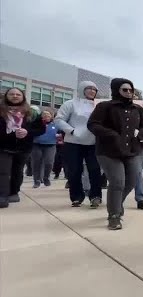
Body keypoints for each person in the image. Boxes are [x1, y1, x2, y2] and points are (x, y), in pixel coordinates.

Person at [87, 78, 143, 230]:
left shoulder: (137, 109)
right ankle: (114, 216)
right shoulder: (104, 107)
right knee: (117, 182)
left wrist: (141, 134)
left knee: (132, 181)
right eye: (125, 90)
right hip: (109, 151)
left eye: (131, 90)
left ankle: (116, 203)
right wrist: (112, 135)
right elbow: (92, 124)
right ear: (116, 90)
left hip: (133, 150)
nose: (128, 93)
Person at [54, 80, 103, 208]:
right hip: (73, 142)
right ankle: (76, 197)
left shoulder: (99, 106)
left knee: (95, 170)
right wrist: (72, 130)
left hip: (93, 142)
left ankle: (95, 196)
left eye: (94, 89)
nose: (92, 91)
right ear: (82, 89)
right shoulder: (70, 104)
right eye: (89, 88)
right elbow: (59, 120)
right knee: (74, 170)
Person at [0, 88, 46, 208]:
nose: (15, 96)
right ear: (6, 96)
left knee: (17, 171)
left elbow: (41, 129)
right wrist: (11, 135)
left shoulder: (32, 112)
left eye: (18, 94)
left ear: (23, 97)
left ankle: (14, 192)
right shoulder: (1, 110)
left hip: (24, 147)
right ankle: (2, 196)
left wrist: (27, 132)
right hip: (3, 146)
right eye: (12, 94)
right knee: (3, 171)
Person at [31, 110, 58, 188]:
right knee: (36, 163)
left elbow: (62, 133)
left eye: (48, 115)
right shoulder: (36, 124)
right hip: (36, 145)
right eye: (44, 115)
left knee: (49, 162)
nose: (46, 117)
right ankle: (37, 180)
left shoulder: (55, 125)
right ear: (41, 116)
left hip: (50, 146)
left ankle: (46, 178)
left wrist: (59, 136)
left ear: (51, 116)